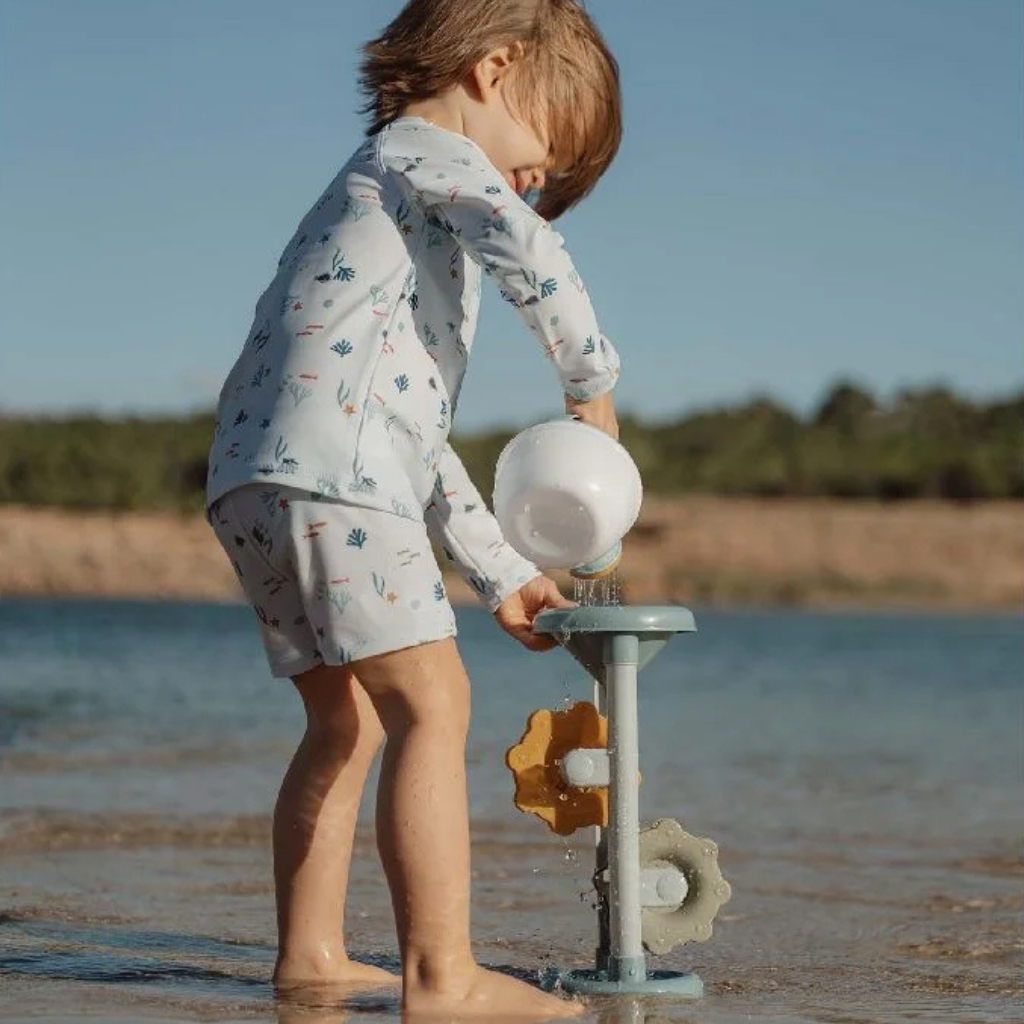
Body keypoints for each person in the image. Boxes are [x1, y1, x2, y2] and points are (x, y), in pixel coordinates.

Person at [205, 0, 622, 1016]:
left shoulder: (376, 215)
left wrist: (504, 571)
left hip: (260, 478)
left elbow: (412, 446)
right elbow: (533, 256)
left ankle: (309, 954)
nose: (535, 189)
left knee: (341, 723)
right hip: (333, 474)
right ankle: (443, 976)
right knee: (432, 704)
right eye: (542, 158)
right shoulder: (425, 149)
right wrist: (592, 387)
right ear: (495, 69)